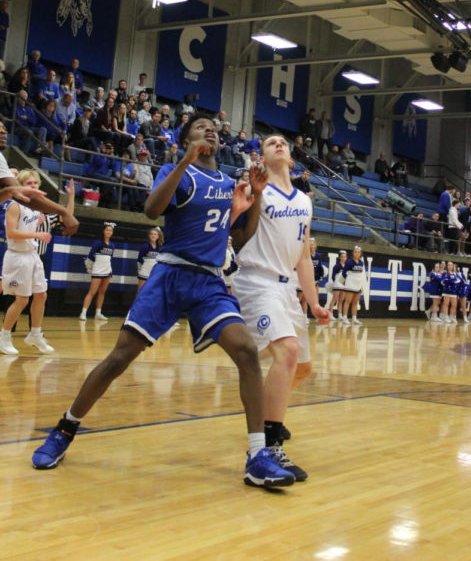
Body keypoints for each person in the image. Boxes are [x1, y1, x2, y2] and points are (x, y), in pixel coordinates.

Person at [31, 116, 294, 491]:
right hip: (170, 275)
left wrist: (256, 196)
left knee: (247, 351)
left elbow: (242, 237)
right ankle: (64, 429)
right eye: (201, 126)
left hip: (207, 281)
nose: (211, 130)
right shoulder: (176, 170)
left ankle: (257, 456)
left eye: (214, 128)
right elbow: (152, 211)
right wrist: (185, 159)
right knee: (119, 358)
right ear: (186, 138)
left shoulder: (226, 182)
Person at [232, 132, 331, 481]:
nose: (279, 144)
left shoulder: (304, 200)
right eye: (270, 142)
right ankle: (268, 444)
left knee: (301, 368)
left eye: (283, 143)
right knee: (286, 352)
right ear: (260, 156)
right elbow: (234, 230)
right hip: (256, 281)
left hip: (288, 288)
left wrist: (315, 302)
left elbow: (303, 255)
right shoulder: (252, 189)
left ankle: (263, 414)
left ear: (291, 158)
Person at [0, 173, 74, 355]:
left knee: (41, 295)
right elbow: (12, 234)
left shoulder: (36, 210)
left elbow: (66, 216)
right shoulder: (13, 205)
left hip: (32, 255)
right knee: (22, 300)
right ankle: (4, 337)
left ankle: (35, 334)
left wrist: (70, 197)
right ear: (21, 186)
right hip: (17, 256)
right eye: (28, 183)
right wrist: (37, 235)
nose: (33, 186)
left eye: (35, 183)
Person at [79, 222, 116, 321]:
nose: (109, 232)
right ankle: (83, 313)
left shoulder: (112, 245)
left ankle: (98, 313)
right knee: (92, 292)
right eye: (107, 230)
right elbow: (90, 257)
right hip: (97, 271)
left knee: (102, 292)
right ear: (103, 231)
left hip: (108, 271)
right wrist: (90, 269)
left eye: (110, 230)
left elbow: (109, 258)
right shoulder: (98, 243)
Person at [340, 245, 366, 325]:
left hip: (358, 284)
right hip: (350, 283)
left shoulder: (361, 263)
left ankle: (354, 318)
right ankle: (345, 317)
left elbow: (361, 274)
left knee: (355, 302)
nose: (357, 253)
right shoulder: (349, 261)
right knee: (348, 301)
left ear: (360, 253)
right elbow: (344, 273)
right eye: (355, 252)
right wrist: (346, 281)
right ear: (353, 253)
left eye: (358, 252)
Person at [136, 227, 163, 291]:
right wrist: (140, 272)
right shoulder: (145, 246)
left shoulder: (161, 248)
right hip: (144, 273)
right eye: (151, 234)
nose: (153, 235)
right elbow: (139, 260)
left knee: (153, 293)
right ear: (149, 236)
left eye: (155, 234)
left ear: (158, 236)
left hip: (155, 274)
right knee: (141, 292)